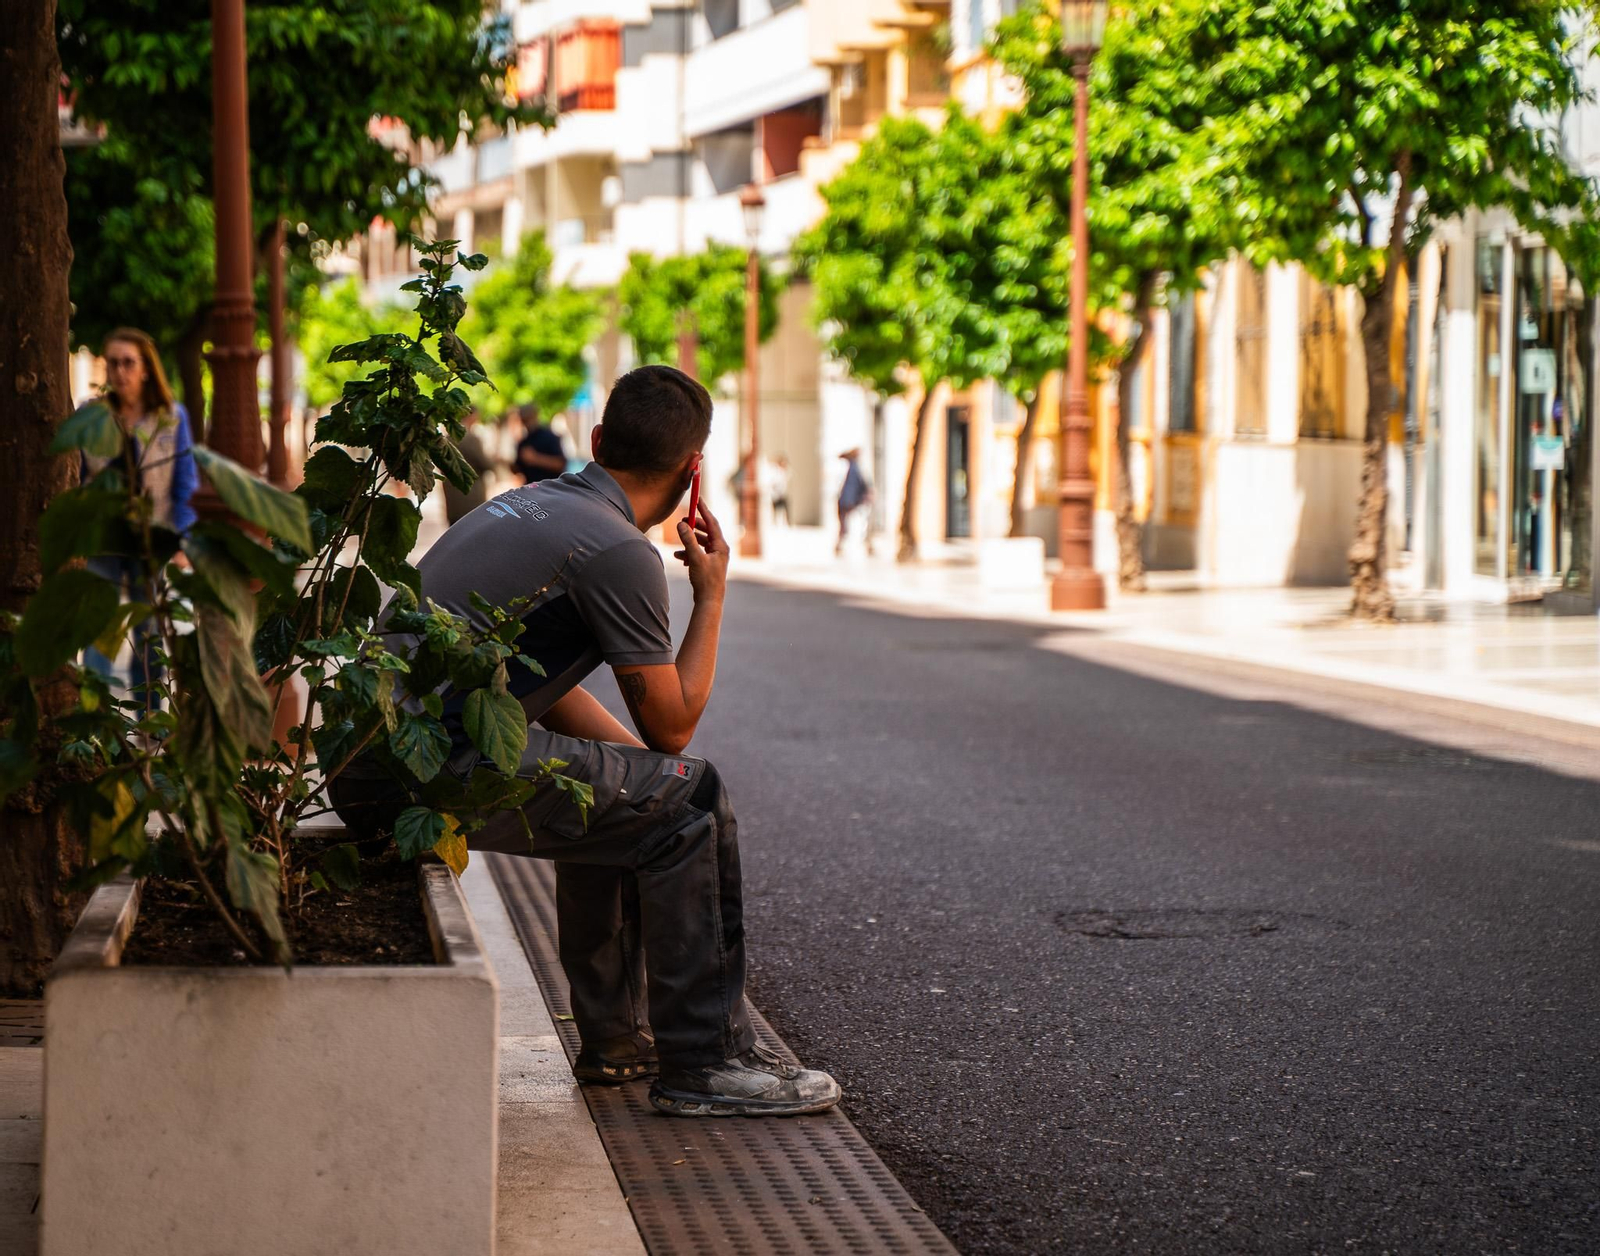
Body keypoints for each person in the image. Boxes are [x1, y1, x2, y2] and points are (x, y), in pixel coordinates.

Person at [330, 364, 840, 1119]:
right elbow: (672, 724)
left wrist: (650, 777)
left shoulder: (526, 505)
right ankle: (707, 1062)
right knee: (694, 801)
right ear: (692, 471)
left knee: (641, 793)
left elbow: (552, 693)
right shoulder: (617, 549)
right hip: (424, 767)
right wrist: (712, 593)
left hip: (361, 759)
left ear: (598, 440)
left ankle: (617, 1042)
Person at [82, 328, 198, 692]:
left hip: (150, 538)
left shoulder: (170, 417)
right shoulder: (91, 415)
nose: (120, 371)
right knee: (99, 632)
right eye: (113, 363)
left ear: (146, 368)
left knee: (148, 634)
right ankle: (98, 731)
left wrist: (180, 539)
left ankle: (150, 727)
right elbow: (78, 476)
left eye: (128, 362)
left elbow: (184, 482)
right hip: (102, 537)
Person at [443, 409, 497, 525]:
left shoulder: (447, 438)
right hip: (471, 493)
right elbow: (485, 463)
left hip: (452, 493)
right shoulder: (471, 438)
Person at [514, 403, 568, 484]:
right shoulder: (523, 443)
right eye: (524, 419)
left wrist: (536, 459)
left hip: (551, 488)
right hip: (531, 489)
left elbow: (560, 464)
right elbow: (517, 470)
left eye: (529, 418)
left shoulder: (550, 437)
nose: (527, 423)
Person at [835, 448, 873, 556]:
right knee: (861, 523)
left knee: (845, 525)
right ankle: (867, 544)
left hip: (847, 500)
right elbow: (859, 483)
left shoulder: (850, 467)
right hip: (850, 500)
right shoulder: (854, 468)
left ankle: (840, 545)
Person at [769, 453, 791, 527]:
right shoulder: (775, 471)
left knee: (785, 508)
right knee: (775, 509)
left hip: (782, 494)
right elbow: (773, 482)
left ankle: (787, 522)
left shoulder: (784, 471)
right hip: (775, 494)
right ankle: (774, 523)